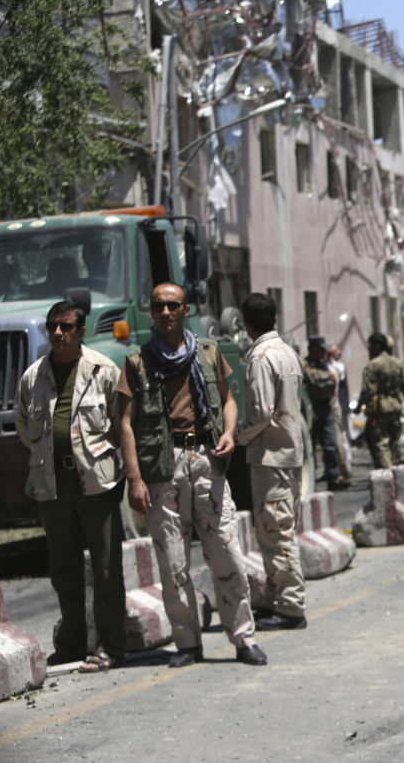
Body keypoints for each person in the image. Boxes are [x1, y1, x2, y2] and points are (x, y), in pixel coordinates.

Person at [117, 282, 268, 667]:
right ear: (151, 312)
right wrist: (134, 479)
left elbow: (229, 400)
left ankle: (243, 638)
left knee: (228, 554)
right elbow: (125, 424)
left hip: (205, 459)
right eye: (158, 306)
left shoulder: (208, 353)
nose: (165, 312)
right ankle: (188, 644)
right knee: (173, 562)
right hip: (162, 468)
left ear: (186, 310)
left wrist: (230, 434)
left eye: (172, 305)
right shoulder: (137, 363)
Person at [15, 299, 126, 672]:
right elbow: (24, 429)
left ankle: (111, 644)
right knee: (63, 568)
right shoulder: (33, 377)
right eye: (53, 327)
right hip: (52, 485)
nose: (58, 334)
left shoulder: (103, 371)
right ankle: (72, 642)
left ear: (81, 331)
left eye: (66, 327)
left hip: (96, 483)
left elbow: (121, 424)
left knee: (107, 567)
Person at [235, 293, 308, 631]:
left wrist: (237, 437)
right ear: (275, 319)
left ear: (246, 324)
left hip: (271, 456)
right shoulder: (289, 353)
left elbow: (261, 413)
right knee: (279, 527)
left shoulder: (260, 357)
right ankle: (278, 596)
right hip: (289, 454)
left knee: (276, 533)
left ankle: (291, 606)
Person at [355, 332, 404, 468]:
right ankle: (398, 476)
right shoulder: (398, 363)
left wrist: (359, 406)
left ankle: (387, 477)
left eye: (371, 346)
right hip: (396, 407)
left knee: (381, 444)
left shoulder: (373, 365)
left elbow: (368, 391)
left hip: (380, 409)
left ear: (377, 346)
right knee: (394, 443)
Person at [303, 336, 349, 490]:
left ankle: (333, 476)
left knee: (331, 444)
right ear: (314, 349)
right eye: (321, 349)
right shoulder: (304, 366)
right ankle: (312, 481)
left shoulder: (324, 365)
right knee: (309, 447)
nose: (324, 352)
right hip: (311, 409)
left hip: (326, 408)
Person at [327, 343, 353, 482]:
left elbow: (335, 372)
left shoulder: (338, 367)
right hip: (340, 407)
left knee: (343, 439)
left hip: (341, 408)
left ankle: (346, 468)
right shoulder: (335, 366)